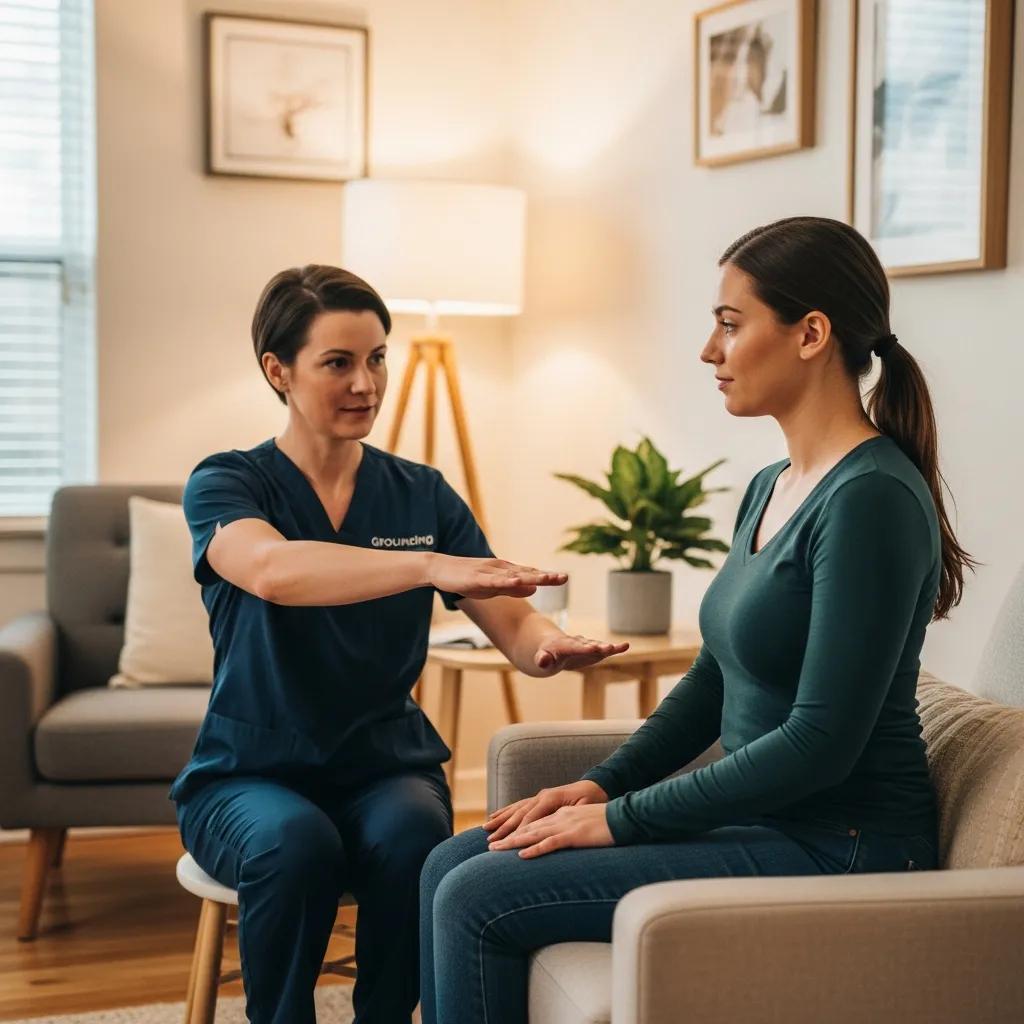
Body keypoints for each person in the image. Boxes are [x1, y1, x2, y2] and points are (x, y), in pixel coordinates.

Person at [418, 215, 978, 1024]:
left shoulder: (872, 499)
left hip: (844, 846)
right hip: (774, 824)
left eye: (729, 324)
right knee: (450, 863)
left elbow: (821, 744)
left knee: (479, 896)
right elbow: (715, 678)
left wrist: (617, 821)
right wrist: (600, 782)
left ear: (811, 334)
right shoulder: (772, 485)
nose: (708, 351)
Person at [170, 264, 630, 1024]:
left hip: (383, 766)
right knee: (294, 842)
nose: (367, 383)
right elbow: (273, 570)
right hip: (248, 774)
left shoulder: (421, 492)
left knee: (414, 832)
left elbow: (508, 620)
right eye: (339, 363)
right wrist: (425, 563)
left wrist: (548, 644)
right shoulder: (228, 483)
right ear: (277, 371)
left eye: (378, 357)